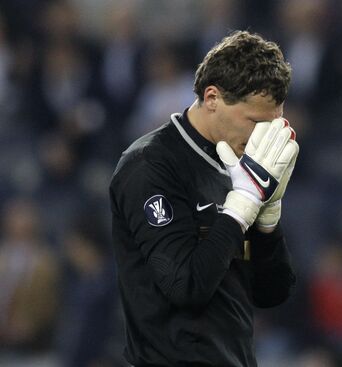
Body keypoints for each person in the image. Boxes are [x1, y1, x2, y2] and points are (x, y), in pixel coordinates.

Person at [109, 30, 299, 367]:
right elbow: (185, 287)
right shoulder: (150, 165)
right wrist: (240, 207)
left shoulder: (242, 165)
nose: (263, 136)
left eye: (272, 124)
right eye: (255, 121)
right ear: (212, 97)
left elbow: (272, 293)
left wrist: (268, 221)